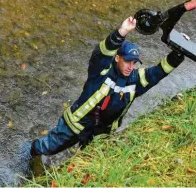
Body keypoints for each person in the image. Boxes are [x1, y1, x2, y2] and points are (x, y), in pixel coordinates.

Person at [18, 16, 184, 171]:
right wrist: (122, 32)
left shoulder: (135, 80)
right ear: (118, 58)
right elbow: (101, 53)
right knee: (47, 147)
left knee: (89, 164)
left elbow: (158, 73)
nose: (130, 66)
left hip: (100, 134)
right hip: (76, 125)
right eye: (127, 61)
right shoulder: (101, 71)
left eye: (134, 63)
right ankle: (22, 157)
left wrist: (178, 53)